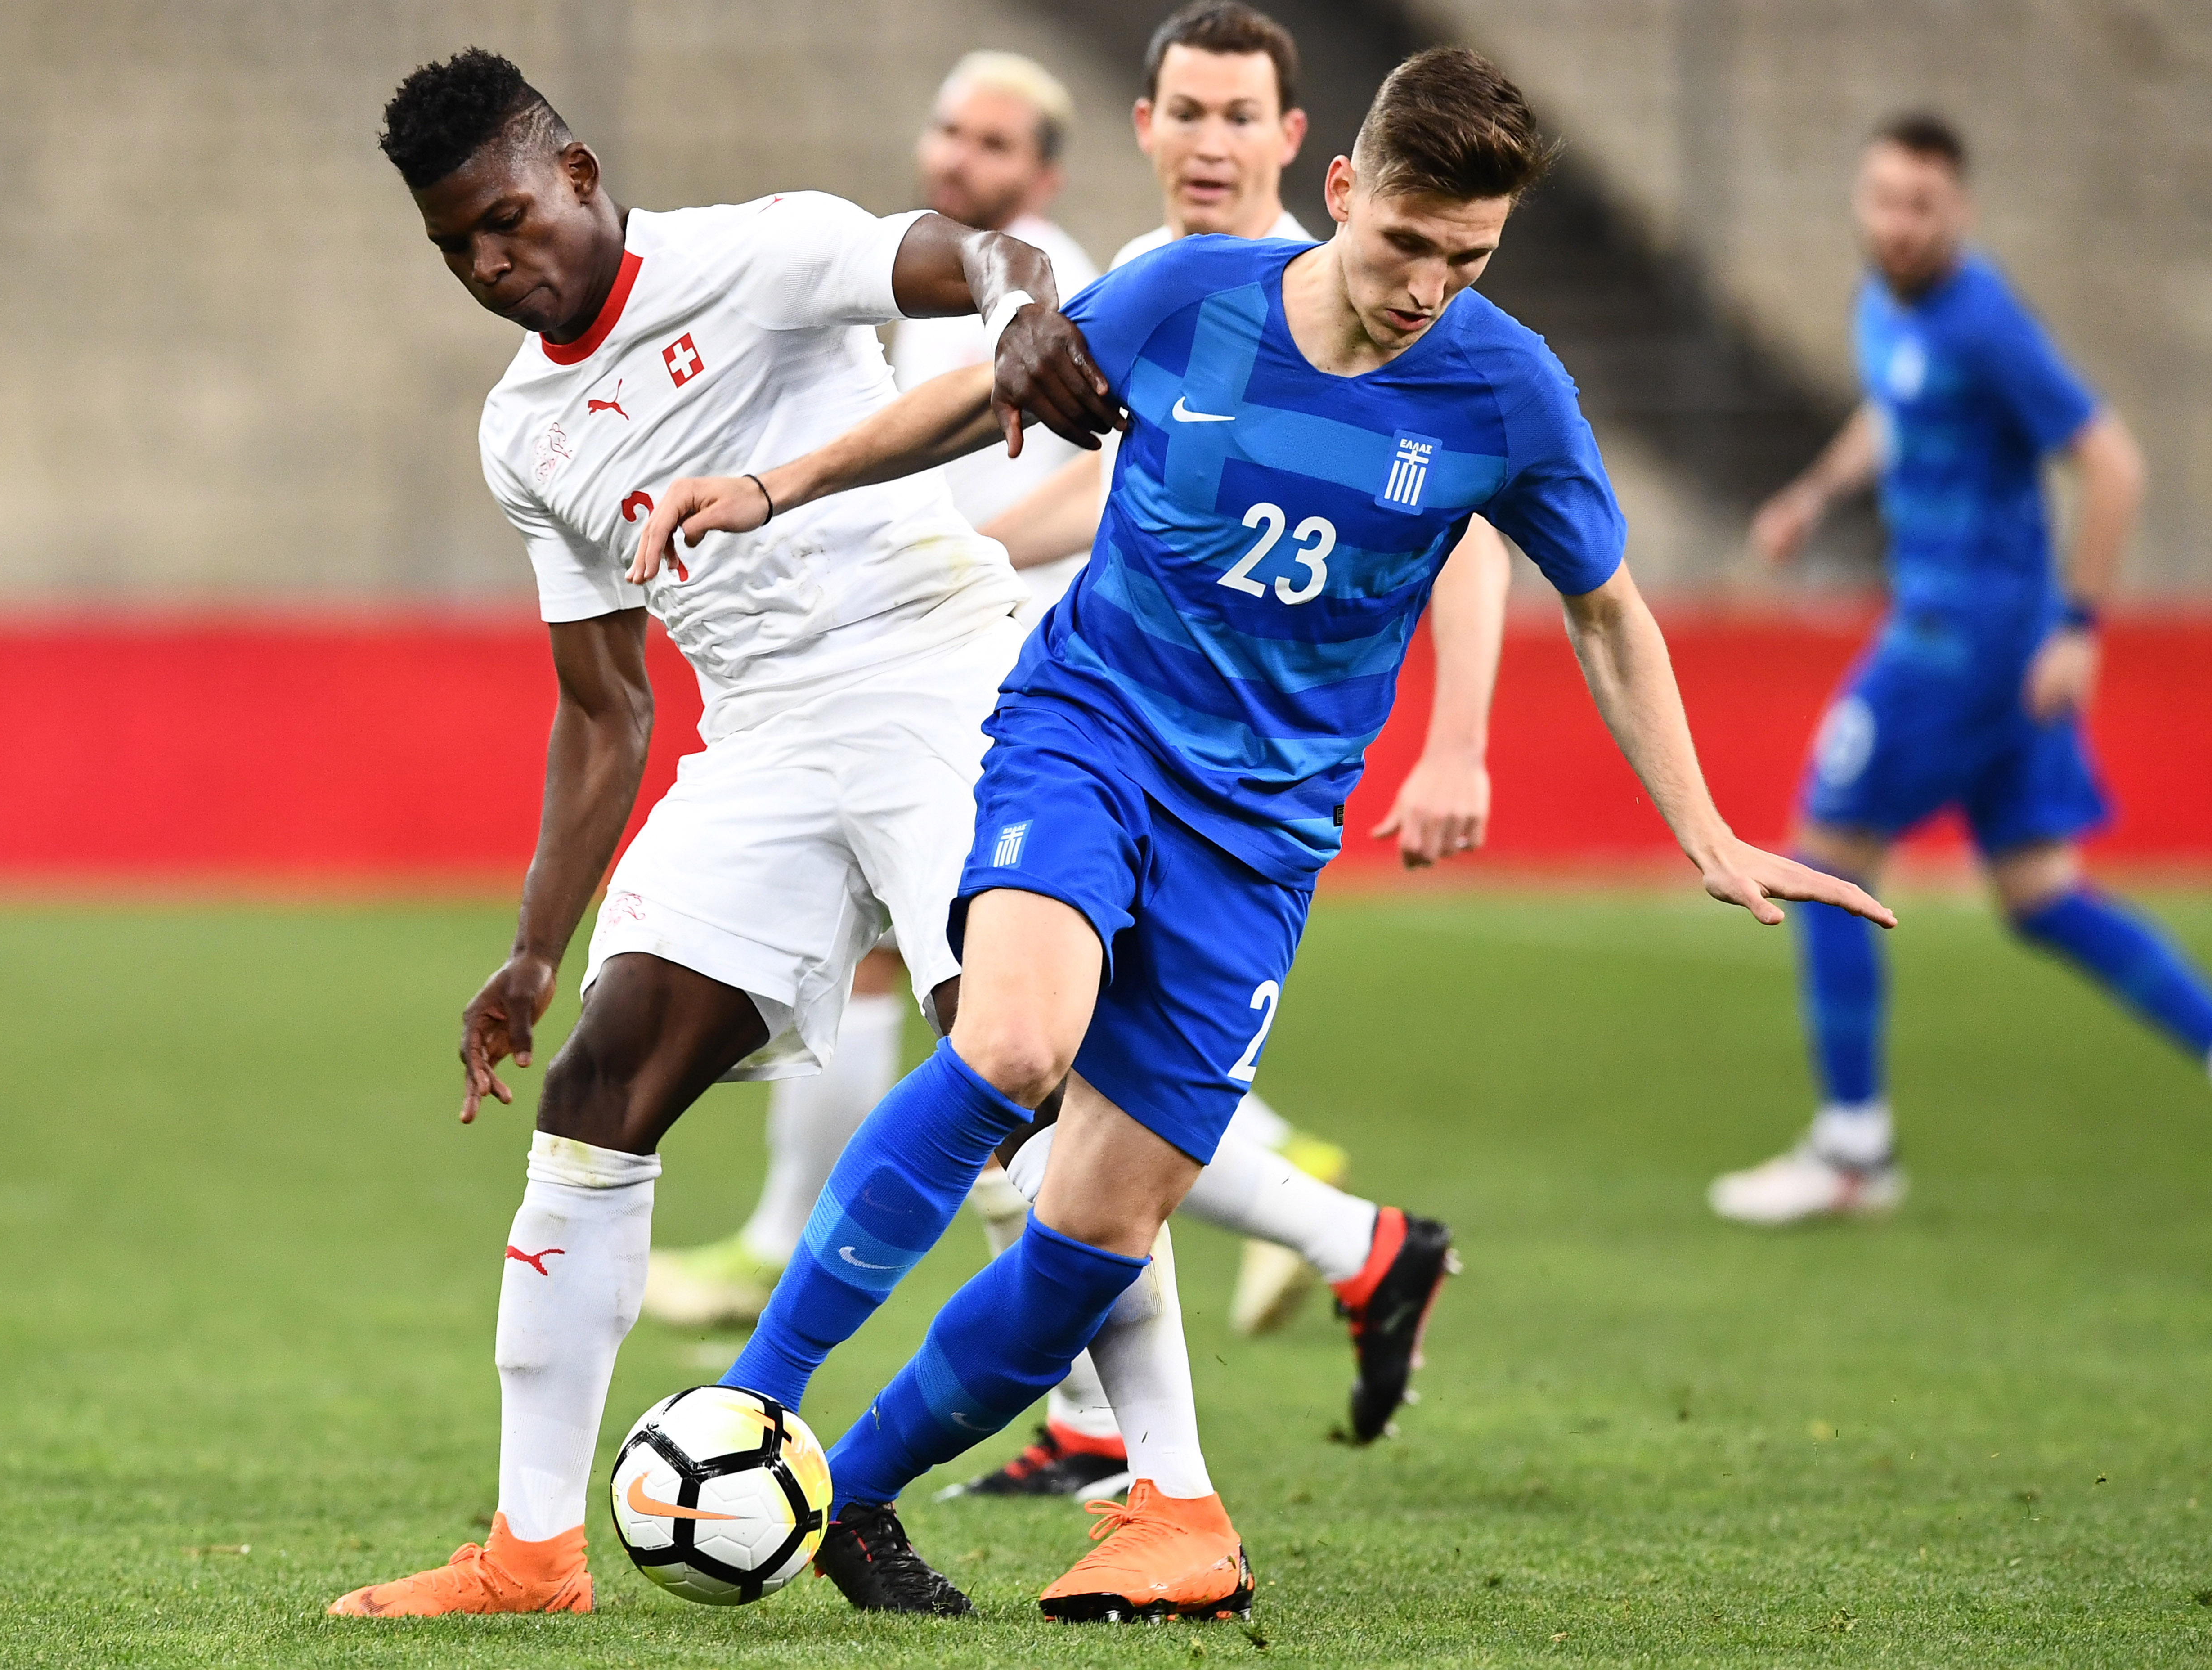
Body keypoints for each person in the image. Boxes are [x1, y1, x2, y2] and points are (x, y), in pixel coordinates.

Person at [638, 46, 1892, 1620]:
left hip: (1261, 833)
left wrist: (1702, 828)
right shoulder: (1190, 299)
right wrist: (771, 485)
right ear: (1345, 193)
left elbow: (1605, 606)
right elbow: (979, 397)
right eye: (1405, 244)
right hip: (1086, 734)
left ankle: (847, 1495)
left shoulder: (1504, 389)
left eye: (1468, 259)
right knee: (1015, 1043)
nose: (1428, 286)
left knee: (1096, 1224)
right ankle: (748, 1409)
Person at [324, 46, 1120, 1619]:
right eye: (455, 250)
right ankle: (530, 1552)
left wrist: (1022, 304)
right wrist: (534, 949)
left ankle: (1156, 1491)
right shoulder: (522, 435)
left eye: (503, 220)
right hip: (758, 738)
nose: (492, 266)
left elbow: (971, 253)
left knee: (1025, 1087)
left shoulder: (752, 253)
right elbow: (604, 706)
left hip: (934, 677)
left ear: (573, 171)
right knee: (598, 1084)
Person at [948, 4, 1518, 1500]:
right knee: (1033, 1087)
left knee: (1041, 1089)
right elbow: (1136, 502)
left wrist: (1456, 738)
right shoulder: (1159, 289)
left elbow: (1467, 526)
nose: (1207, 143)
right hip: (1108, 727)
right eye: (1181, 112)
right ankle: (1185, 1379)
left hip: (1234, 787)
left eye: (1236, 116)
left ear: (1295, 146)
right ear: (1140, 127)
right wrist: (944, 556)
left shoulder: (1373, 302)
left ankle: (1224, 1364)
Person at [639, 48, 1103, 1337]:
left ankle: (1321, 1234)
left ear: (1045, 173)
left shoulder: (1058, 284)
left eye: (997, 145)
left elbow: (1118, 466)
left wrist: (991, 555)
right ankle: (797, 1246)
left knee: (1004, 1022)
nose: (963, 158)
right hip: (915, 661)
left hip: (1004, 659)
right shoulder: (920, 280)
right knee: (945, 998)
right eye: (952, 131)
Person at [1709, 113, 2209, 1226]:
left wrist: (2081, 622)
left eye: (1921, 205)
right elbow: (1891, 412)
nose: (1898, 223)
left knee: (1825, 849)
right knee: (2040, 894)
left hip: (1964, 640)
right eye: (1883, 199)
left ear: (1960, 213)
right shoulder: (1884, 305)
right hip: (1988, 647)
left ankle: (1851, 1148)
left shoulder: (1984, 320)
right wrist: (1812, 493)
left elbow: (2113, 463)